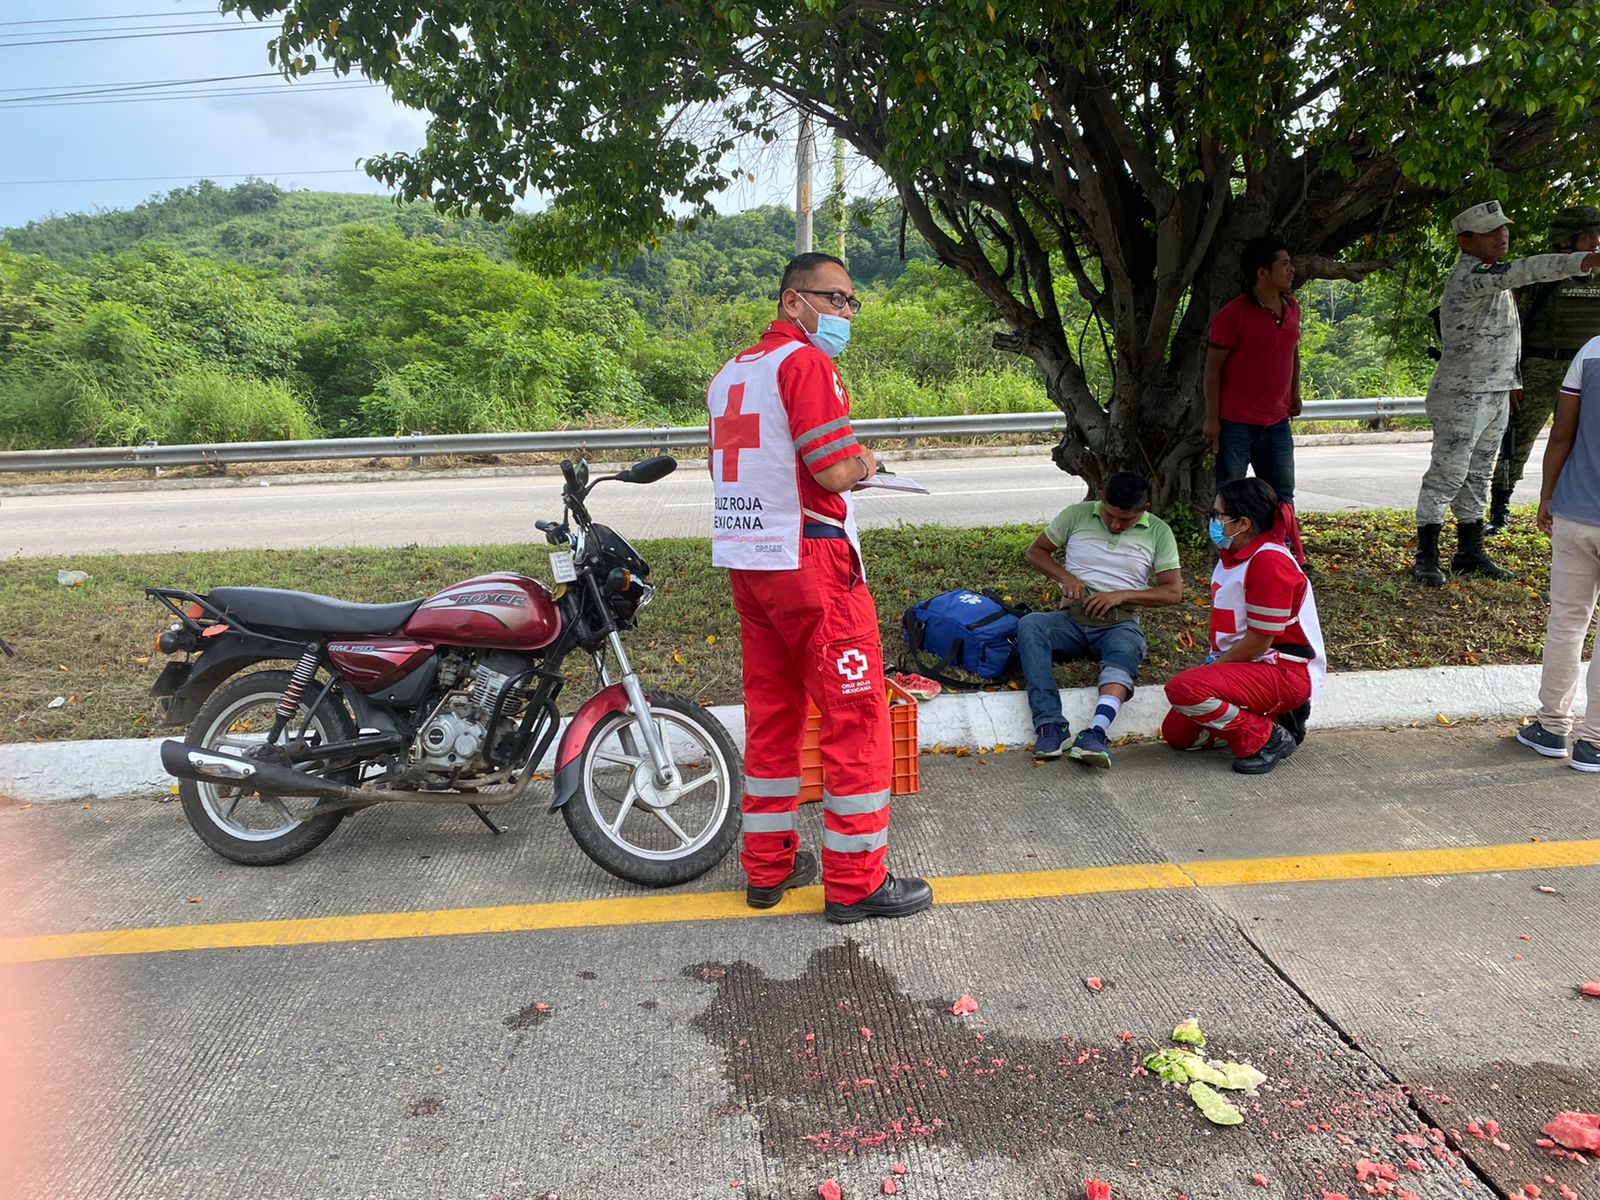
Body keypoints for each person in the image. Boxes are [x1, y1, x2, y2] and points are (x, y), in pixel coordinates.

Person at [705, 252, 932, 924]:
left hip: (752, 562)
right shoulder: (805, 364)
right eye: (835, 300)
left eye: (849, 302)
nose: (844, 314)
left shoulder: (731, 374)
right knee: (856, 718)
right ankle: (857, 883)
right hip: (813, 566)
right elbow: (833, 469)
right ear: (793, 301)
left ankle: (768, 867)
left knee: (774, 715)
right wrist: (869, 461)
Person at [1409, 200, 1600, 586]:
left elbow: (1504, 337)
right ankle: (1425, 555)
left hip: (1494, 389)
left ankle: (1470, 550)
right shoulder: (1473, 274)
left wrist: (1512, 382)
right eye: (1491, 232)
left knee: (1479, 474)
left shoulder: (1492, 276)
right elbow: (1527, 270)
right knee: (1448, 474)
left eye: (1503, 229)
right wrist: (1587, 261)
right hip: (1463, 392)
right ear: (1465, 241)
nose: (1502, 236)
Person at [1017, 471, 1182, 767]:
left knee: (1126, 650)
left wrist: (1121, 595)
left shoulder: (1159, 531)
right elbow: (1035, 552)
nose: (1115, 525)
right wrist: (1066, 577)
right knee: (1031, 625)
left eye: (1125, 520)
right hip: (1070, 620)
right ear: (1102, 497)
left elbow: (1172, 593)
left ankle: (1095, 732)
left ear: (1144, 510)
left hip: (1119, 623)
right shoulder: (1076, 515)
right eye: (1109, 515)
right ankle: (1050, 724)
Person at [1161, 477, 1325, 774]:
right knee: (1178, 735)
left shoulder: (1268, 561)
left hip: (1282, 671)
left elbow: (1260, 641)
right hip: (1250, 665)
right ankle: (1271, 718)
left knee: (1184, 689)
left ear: (1243, 524)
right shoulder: (1234, 556)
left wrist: (1213, 668)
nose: (1213, 521)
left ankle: (1266, 736)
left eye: (1218, 515)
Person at [1487, 206, 1600, 533]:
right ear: (1566, 240)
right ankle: (1500, 508)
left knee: (1586, 441)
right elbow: (1512, 328)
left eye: (1597, 234)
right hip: (1540, 367)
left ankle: (1576, 506)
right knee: (1517, 440)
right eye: (1588, 235)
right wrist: (1512, 378)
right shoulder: (1542, 273)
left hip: (1588, 370)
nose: (1595, 241)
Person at [1516, 331, 1600, 770]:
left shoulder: (1590, 351)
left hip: (1576, 513)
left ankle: (1551, 726)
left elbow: (1562, 432)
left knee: (1567, 621)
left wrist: (1547, 495)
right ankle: (1595, 743)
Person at [1204, 234, 1307, 566]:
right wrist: (1212, 418)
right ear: (1263, 272)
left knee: (1281, 494)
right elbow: (1212, 369)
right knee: (1231, 494)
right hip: (1236, 421)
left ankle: (1283, 554)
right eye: (1284, 264)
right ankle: (1228, 555)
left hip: (1276, 420)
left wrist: (1295, 391)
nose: (1292, 269)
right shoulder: (1232, 315)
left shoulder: (1292, 308)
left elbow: (1293, 352)